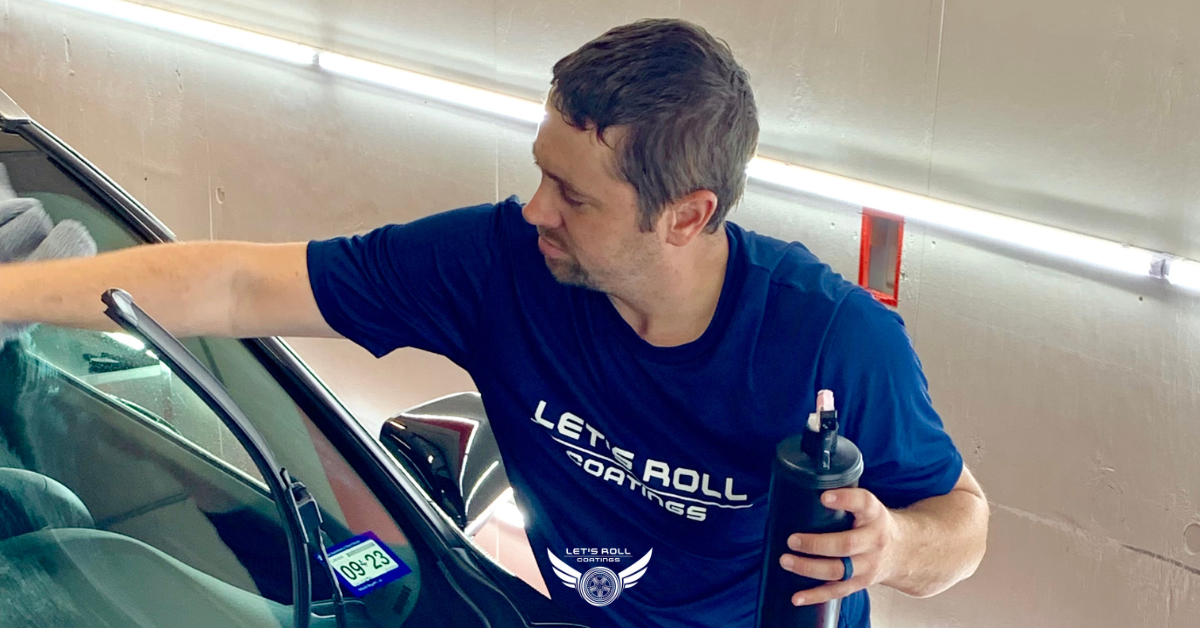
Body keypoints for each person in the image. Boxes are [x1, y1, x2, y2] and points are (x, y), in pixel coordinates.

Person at [0, 18, 988, 628]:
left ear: (687, 214)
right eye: (540, 171)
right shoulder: (498, 268)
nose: (535, 211)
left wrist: (896, 547)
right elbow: (235, 288)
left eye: (574, 195)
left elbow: (963, 520)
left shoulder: (830, 340)